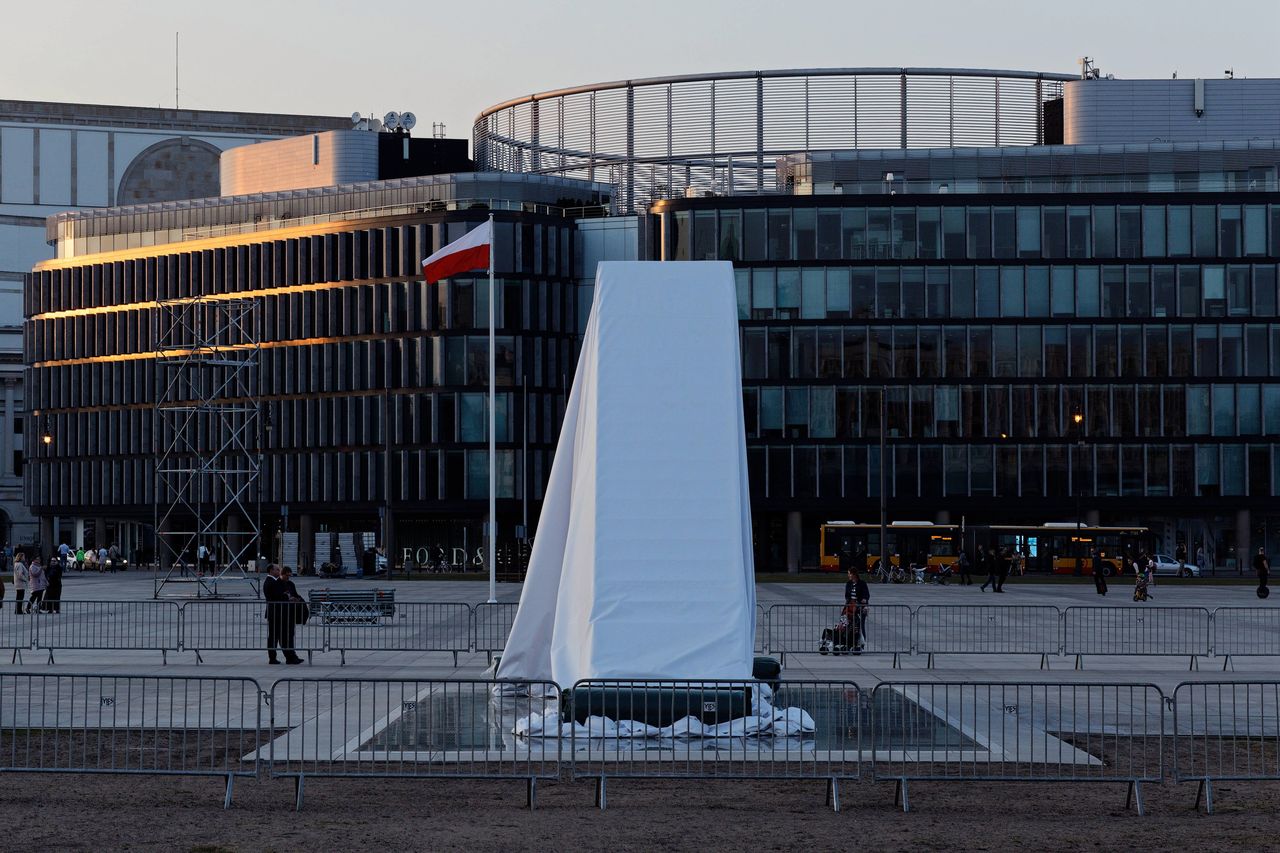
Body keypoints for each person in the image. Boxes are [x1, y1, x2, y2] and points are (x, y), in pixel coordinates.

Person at [263, 564, 303, 665]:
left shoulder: (274, 582)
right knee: (274, 637)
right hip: (276, 613)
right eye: (277, 570)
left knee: (279, 636)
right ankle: (273, 658)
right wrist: (288, 598)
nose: (278, 571)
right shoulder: (271, 582)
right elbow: (276, 596)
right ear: (271, 571)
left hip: (279, 613)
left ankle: (288, 656)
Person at [844, 566, 870, 651]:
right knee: (849, 625)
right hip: (851, 607)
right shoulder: (848, 584)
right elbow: (847, 595)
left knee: (861, 625)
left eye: (849, 574)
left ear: (854, 574)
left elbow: (866, 595)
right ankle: (850, 643)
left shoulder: (862, 583)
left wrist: (864, 600)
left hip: (860, 608)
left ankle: (861, 645)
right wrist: (849, 602)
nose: (848, 575)